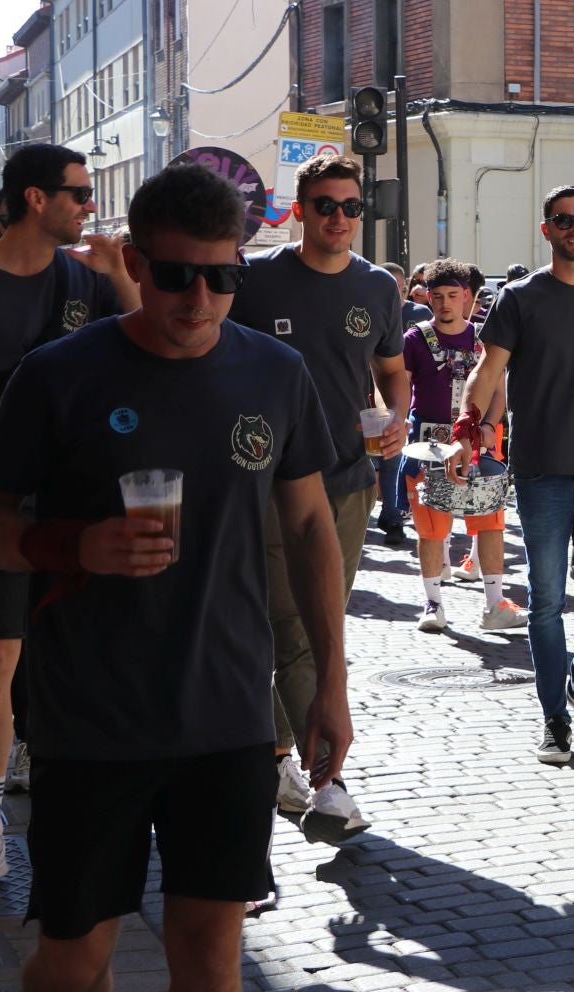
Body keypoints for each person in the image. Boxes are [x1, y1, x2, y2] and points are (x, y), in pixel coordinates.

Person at [0, 162, 352, 990]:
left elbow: (312, 524)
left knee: (213, 955)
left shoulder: (274, 374)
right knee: (73, 959)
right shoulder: (62, 373)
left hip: (229, 715)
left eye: (224, 277)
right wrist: (69, 545)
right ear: (134, 262)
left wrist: (330, 685)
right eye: (177, 275)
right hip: (90, 719)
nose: (200, 299)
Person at [0, 143, 138, 893]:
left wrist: (121, 278)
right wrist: (21, 433)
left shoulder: (84, 278)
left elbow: (146, 344)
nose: (88, 208)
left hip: (78, 497)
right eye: (77, 194)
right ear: (35, 199)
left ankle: (92, 797)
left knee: (83, 651)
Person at [230, 152, 408, 840]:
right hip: (272, 480)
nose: (339, 218)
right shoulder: (258, 278)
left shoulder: (377, 288)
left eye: (351, 208)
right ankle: (327, 781)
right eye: (325, 206)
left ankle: (280, 756)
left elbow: (391, 373)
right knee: (295, 629)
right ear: (299, 210)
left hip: (349, 479)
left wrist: (395, 419)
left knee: (322, 624)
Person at [448, 186, 574, 763]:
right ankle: (555, 718)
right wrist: (468, 428)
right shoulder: (520, 297)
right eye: (563, 220)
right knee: (546, 603)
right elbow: (488, 373)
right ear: (547, 230)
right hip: (542, 476)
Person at [403, 257, 525, 635]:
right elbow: (398, 386)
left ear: (467, 296)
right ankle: (433, 603)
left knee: (490, 524)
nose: (444, 303)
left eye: (452, 295)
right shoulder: (414, 339)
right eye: (436, 296)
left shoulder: (486, 340)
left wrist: (489, 424)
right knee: (431, 528)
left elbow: (499, 391)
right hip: (430, 443)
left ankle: (494, 603)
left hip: (480, 442)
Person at [374, 263, 431, 548]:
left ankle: (393, 516)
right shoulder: (370, 310)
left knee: (393, 457)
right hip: (369, 396)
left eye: (398, 287)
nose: (393, 292)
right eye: (388, 286)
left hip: (403, 398)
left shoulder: (418, 315)